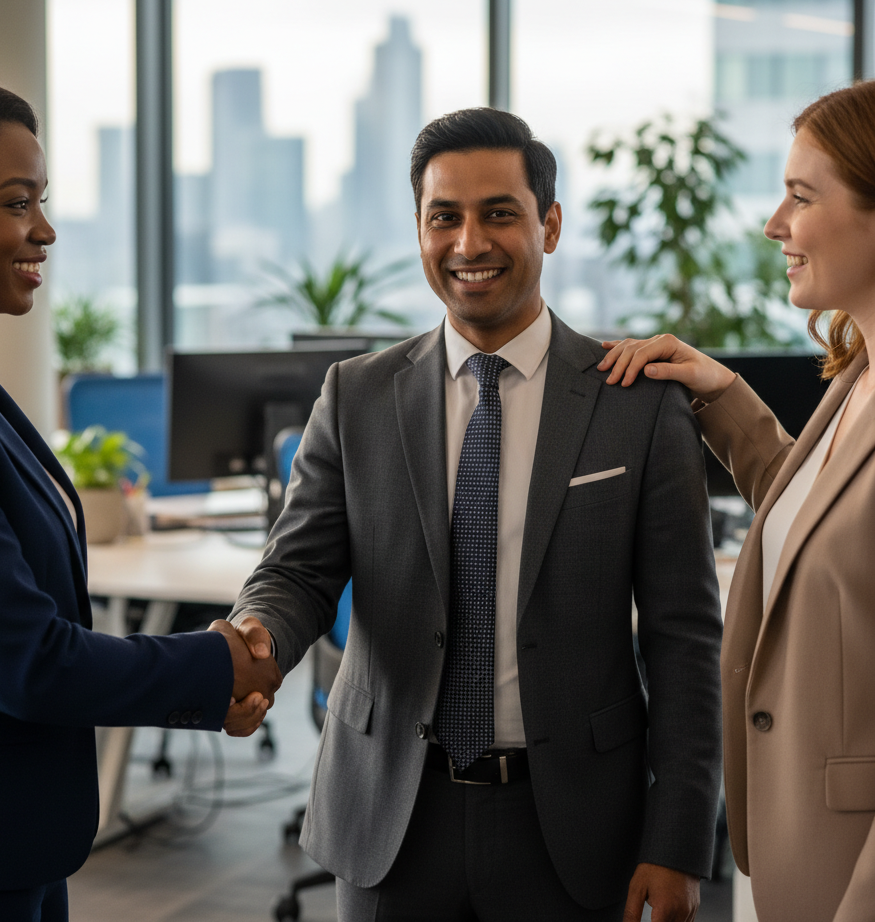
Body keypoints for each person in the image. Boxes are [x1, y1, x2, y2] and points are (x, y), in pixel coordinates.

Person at [229, 107, 723, 922]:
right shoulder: (357, 395)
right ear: (419, 229)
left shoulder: (636, 404)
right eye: (443, 217)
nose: (469, 244)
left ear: (550, 224)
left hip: (572, 822)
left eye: (499, 213)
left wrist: (677, 839)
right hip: (390, 811)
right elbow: (299, 571)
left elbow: (685, 639)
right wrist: (258, 637)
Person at [0, 73, 280, 921]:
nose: (43, 231)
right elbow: (25, 661)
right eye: (16, 204)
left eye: (41, 202)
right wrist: (214, 663)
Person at [598, 80, 875, 922]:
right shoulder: (860, 373)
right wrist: (721, 392)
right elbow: (828, 523)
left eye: (800, 195)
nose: (773, 225)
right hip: (790, 839)